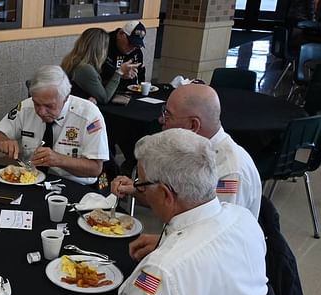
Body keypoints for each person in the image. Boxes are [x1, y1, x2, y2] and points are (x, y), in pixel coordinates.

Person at [72, 129, 268, 295]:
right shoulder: (243, 219)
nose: (139, 190)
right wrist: (167, 243)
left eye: (141, 185)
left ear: (166, 193)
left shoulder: (164, 270)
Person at [111, 84, 262, 219]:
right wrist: (135, 189)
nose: (161, 120)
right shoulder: (190, 150)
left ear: (192, 125)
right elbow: (174, 202)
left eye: (168, 115)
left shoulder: (229, 172)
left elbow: (213, 232)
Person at [0, 65, 109, 186]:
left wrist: (60, 160)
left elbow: (96, 169)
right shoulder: (26, 107)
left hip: (76, 185)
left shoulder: (89, 115)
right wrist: (3, 141)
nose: (41, 111)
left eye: (49, 106)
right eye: (37, 104)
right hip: (31, 180)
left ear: (65, 98)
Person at [62, 28, 138, 104]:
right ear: (100, 49)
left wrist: (120, 76)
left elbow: (96, 87)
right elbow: (104, 98)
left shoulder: (71, 60)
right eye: (106, 47)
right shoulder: (85, 69)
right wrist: (119, 72)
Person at [100, 20, 146, 89]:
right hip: (105, 90)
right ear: (120, 34)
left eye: (136, 45)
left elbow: (140, 76)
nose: (133, 47)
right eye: (130, 43)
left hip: (127, 92)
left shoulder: (136, 51)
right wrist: (119, 74)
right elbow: (96, 76)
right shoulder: (103, 44)